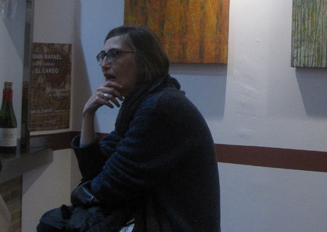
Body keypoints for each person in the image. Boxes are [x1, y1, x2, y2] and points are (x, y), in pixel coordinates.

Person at [72, 25, 220, 231]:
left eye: (114, 54)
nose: (104, 64)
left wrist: (81, 194)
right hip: (150, 221)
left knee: (56, 222)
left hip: (171, 225)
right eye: (103, 56)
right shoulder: (141, 102)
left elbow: (108, 187)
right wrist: (88, 114)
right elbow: (94, 171)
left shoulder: (159, 106)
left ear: (143, 61)